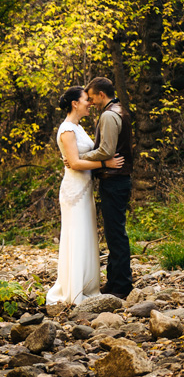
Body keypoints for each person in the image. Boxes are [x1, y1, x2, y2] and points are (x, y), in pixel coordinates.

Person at [47, 86, 123, 305]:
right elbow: (75, 162)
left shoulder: (78, 127)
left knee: (87, 235)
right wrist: (105, 163)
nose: (89, 102)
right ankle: (73, 290)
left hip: (85, 188)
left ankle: (88, 285)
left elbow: (80, 155)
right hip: (74, 191)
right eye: (85, 99)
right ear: (75, 103)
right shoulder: (67, 129)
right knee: (76, 235)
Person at [78, 77, 134, 299]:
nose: (90, 102)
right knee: (113, 233)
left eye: (91, 98)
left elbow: (106, 151)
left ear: (102, 94)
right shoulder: (117, 110)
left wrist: (79, 157)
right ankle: (113, 281)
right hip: (116, 180)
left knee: (116, 234)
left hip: (115, 180)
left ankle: (122, 285)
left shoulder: (110, 115)